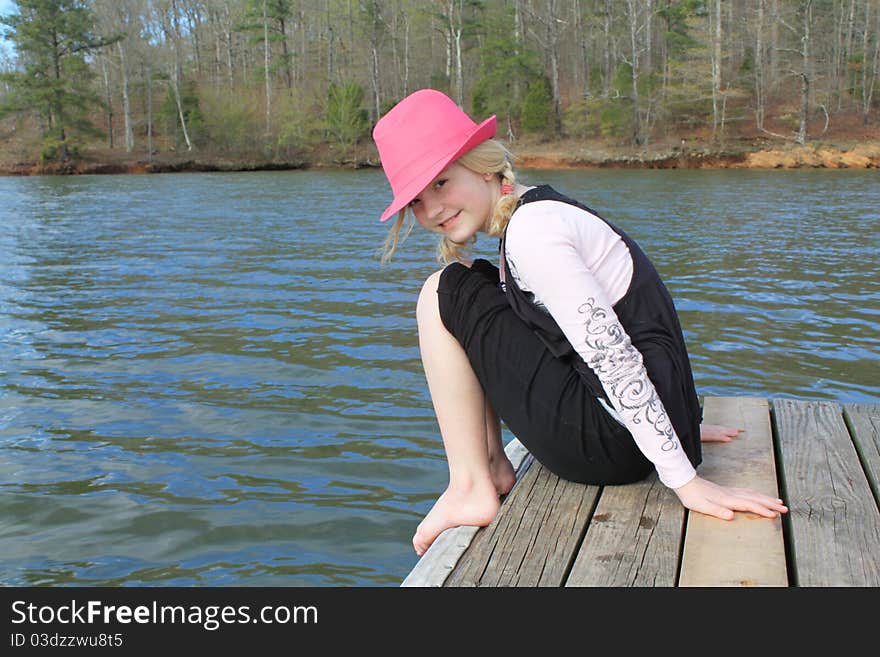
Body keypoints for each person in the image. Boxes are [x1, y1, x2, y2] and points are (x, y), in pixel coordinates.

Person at [372, 89, 788, 557]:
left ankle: (471, 485)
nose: (432, 211)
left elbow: (614, 355)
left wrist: (686, 481)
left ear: (483, 165)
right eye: (417, 201)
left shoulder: (533, 235)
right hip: (629, 432)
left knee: (441, 292)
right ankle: (490, 467)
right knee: (472, 280)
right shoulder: (541, 212)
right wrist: (681, 418)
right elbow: (645, 324)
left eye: (442, 183)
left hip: (611, 448)